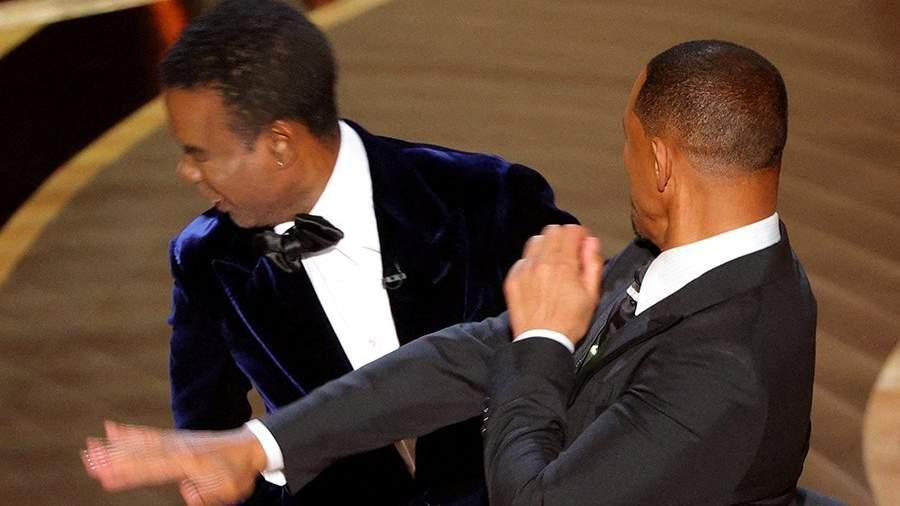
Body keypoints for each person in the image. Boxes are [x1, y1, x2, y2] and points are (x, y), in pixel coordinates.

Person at [83, 40, 816, 506]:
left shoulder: (725, 364)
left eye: (627, 142)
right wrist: (255, 445)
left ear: (659, 161)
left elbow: (534, 496)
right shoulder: (685, 256)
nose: (622, 160)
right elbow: (473, 353)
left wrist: (541, 343)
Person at [152, 0, 575, 504]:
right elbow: (209, 440)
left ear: (280, 143)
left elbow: (600, 359)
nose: (186, 172)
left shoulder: (489, 197)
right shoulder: (206, 258)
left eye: (198, 153)